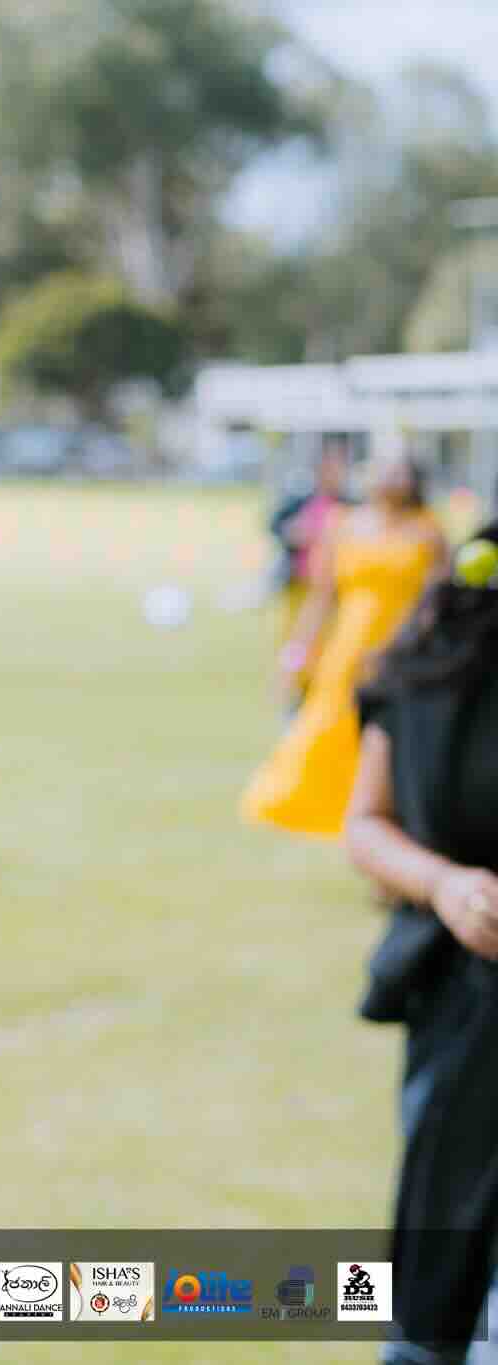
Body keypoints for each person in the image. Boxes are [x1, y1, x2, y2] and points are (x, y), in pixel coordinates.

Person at [344, 525, 498, 1363]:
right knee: (434, 1291)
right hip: (464, 1013)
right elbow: (365, 824)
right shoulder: (436, 664)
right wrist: (444, 883)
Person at [241, 453, 449, 838]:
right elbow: (320, 599)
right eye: (383, 469)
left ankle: (387, 809)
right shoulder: (345, 525)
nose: (390, 478)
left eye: (399, 470)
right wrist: (296, 655)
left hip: (405, 648)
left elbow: (439, 601)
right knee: (328, 723)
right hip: (349, 645)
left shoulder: (428, 531)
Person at [268, 437, 356, 704]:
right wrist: (296, 532)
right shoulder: (301, 499)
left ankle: (320, 687)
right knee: (297, 642)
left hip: (334, 590)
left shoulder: (351, 504)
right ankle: (293, 686)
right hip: (301, 585)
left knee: (327, 643)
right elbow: (277, 526)